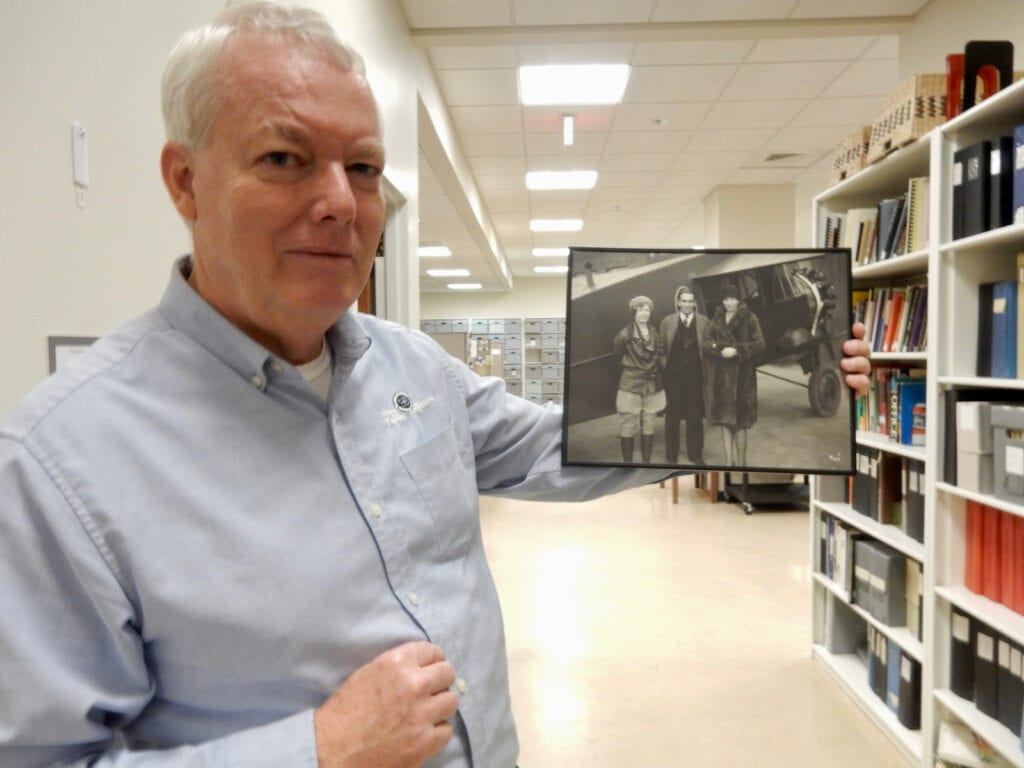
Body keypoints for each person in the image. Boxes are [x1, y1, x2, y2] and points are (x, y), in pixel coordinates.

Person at [0, 3, 873, 767]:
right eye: (283, 159)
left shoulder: (412, 368)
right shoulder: (61, 467)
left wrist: (784, 412)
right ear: (184, 181)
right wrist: (319, 749)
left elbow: (559, 446)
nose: (341, 203)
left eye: (366, 169)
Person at [705, 283, 767, 466]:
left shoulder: (749, 318)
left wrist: (737, 351)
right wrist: (719, 350)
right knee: (724, 422)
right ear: (722, 301)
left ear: (738, 300)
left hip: (742, 378)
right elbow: (706, 342)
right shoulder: (716, 319)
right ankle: (728, 462)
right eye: (726, 299)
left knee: (741, 423)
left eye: (732, 299)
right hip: (721, 379)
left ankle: (741, 463)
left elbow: (760, 344)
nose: (729, 303)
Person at [658, 285, 710, 464]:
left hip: (696, 377)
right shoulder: (667, 322)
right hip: (673, 378)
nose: (687, 304)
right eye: (684, 301)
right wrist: (665, 366)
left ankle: (695, 454)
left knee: (695, 416)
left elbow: (709, 347)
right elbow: (661, 348)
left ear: (694, 303)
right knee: (672, 416)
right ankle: (671, 456)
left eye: (690, 301)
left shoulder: (704, 321)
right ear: (678, 303)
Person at [611, 295, 666, 463]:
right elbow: (617, 359)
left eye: (647, 309)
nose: (644, 313)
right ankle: (627, 465)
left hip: (652, 383)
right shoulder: (623, 336)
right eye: (640, 309)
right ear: (634, 312)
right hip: (630, 383)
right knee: (628, 424)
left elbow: (661, 354)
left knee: (649, 421)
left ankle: (646, 463)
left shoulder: (655, 333)